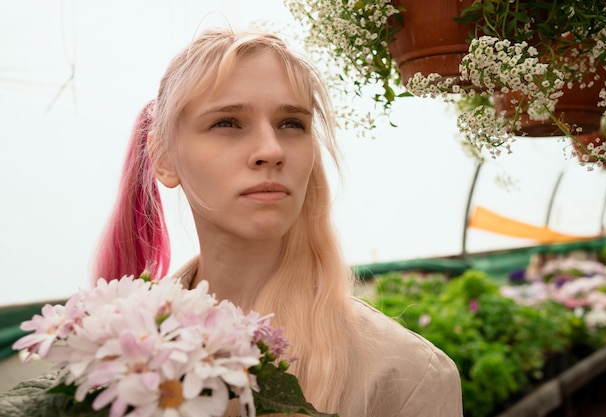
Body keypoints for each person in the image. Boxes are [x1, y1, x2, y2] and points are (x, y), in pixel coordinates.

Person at [4, 27, 463, 417]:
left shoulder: (407, 377)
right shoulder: (110, 348)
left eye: (291, 124)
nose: (272, 149)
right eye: (227, 123)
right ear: (163, 159)